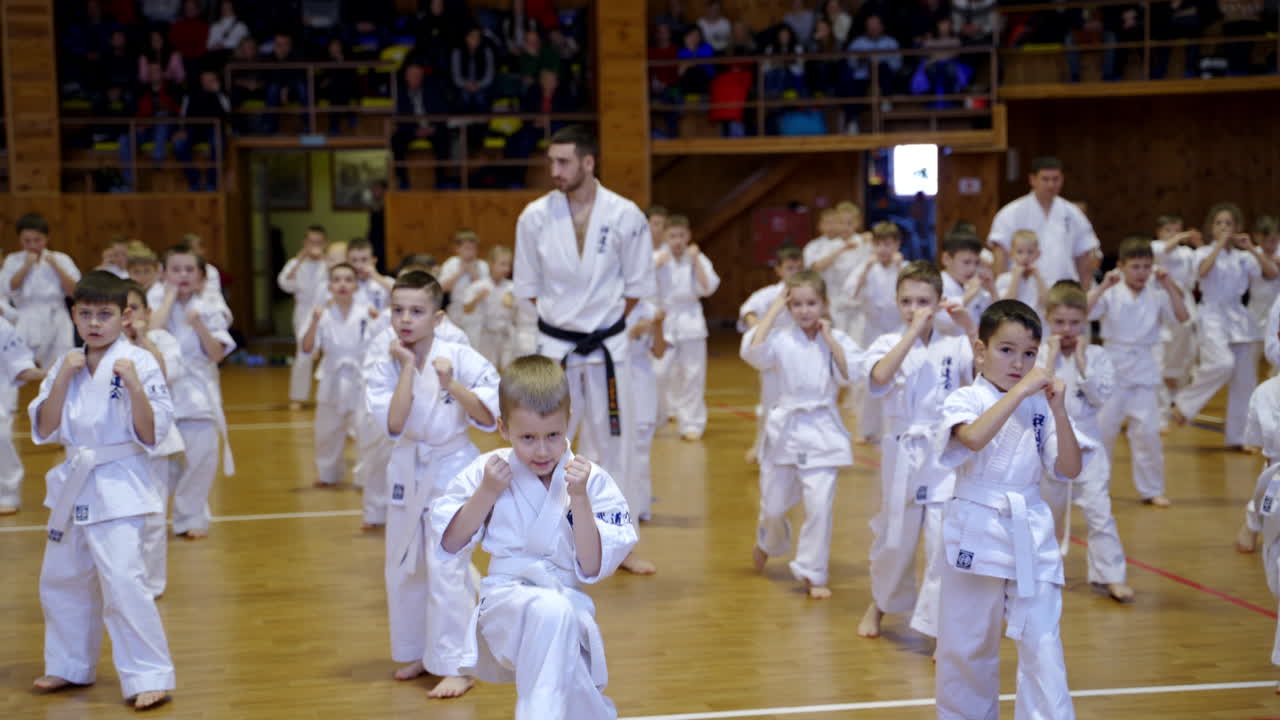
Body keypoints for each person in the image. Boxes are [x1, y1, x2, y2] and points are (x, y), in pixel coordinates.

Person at [433, 355, 638, 718]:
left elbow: (591, 566)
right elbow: (449, 544)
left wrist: (580, 499)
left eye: (553, 436)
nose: (542, 451)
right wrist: (487, 492)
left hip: (565, 600)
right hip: (504, 604)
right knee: (553, 612)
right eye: (527, 438)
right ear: (502, 427)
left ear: (568, 424)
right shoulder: (486, 471)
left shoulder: (591, 480)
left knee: (576, 690)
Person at [512, 125, 658, 576]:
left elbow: (637, 287)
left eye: (563, 162)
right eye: (551, 162)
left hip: (608, 348)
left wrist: (597, 324)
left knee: (619, 446)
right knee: (542, 445)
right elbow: (529, 288)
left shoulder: (625, 214)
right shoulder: (533, 217)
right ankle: (540, 542)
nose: (554, 171)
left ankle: (621, 546)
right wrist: (567, 323)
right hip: (555, 347)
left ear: (588, 162)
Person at [934, 300, 1089, 720]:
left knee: (1043, 642)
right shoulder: (965, 397)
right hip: (975, 525)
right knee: (967, 645)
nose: (1018, 363)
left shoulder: (1041, 406)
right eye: (1006, 350)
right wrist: (1021, 391)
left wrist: (1058, 411)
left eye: (1029, 354)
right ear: (981, 352)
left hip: (1030, 529)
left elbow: (1069, 468)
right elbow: (971, 439)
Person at [28, 272, 175, 710]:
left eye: (105, 314)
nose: (95, 323)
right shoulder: (66, 363)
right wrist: (60, 379)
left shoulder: (139, 362)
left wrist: (131, 384)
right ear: (74, 315)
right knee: (62, 578)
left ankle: (150, 674)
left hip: (120, 483)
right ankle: (69, 664)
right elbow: (46, 425)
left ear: (124, 316)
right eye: (86, 314)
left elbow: (152, 435)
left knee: (125, 582)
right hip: (74, 482)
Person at [364, 270, 500, 699]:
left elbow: (489, 418)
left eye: (416, 311)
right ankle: (425, 651)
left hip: (452, 468)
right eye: (398, 310)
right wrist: (407, 367)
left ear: (438, 317)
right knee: (406, 567)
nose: (405, 320)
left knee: (447, 567)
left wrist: (450, 384)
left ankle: (459, 663)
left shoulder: (460, 355)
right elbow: (394, 423)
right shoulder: (382, 358)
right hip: (406, 468)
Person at [857, 261, 975, 640]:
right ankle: (878, 604)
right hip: (902, 451)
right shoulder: (885, 342)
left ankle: (939, 628)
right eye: (906, 301)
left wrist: (968, 324)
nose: (914, 308)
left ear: (939, 302)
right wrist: (910, 332)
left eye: (923, 300)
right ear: (896, 302)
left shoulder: (954, 343)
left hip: (944, 452)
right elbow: (879, 377)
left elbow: (984, 371)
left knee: (942, 540)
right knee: (895, 539)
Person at [742, 270, 862, 599]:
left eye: (811, 303)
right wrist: (773, 310)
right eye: (796, 304)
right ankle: (768, 541)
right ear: (788, 306)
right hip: (786, 427)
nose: (804, 311)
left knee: (819, 506)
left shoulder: (837, 338)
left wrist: (830, 338)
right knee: (774, 506)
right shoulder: (779, 338)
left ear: (824, 304)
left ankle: (813, 571)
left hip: (823, 428)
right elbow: (752, 352)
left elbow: (851, 373)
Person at [1040, 280, 1133, 602]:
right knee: (1045, 513)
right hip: (1048, 445)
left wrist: (1081, 362)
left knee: (1099, 510)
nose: (1067, 330)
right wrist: (1051, 356)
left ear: (1086, 322)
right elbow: (1034, 397)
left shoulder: (1096, 355)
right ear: (1047, 320)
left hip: (1088, 444)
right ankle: (1039, 571)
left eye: (1075, 323)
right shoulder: (1038, 353)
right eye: (1059, 322)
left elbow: (1099, 398)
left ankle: (1111, 575)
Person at [1089, 237, 1189, 507]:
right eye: (1135, 267)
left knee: (1147, 434)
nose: (1142, 272)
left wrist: (1169, 285)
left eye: (1147, 267)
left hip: (1144, 368)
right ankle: (1097, 487)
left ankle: (1152, 489)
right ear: (1120, 267)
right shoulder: (1110, 291)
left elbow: (1182, 316)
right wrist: (1101, 288)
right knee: (1104, 431)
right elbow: (1083, 314)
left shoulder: (1157, 293)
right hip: (1113, 366)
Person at [1173, 203, 1279, 446]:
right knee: (1222, 363)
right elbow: (1202, 273)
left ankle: (1239, 438)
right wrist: (1219, 245)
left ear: (1237, 228)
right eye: (1219, 223)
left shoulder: (1243, 257)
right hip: (1211, 313)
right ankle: (1184, 404)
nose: (1223, 227)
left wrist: (1252, 248)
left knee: (1245, 380)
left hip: (1238, 316)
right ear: (1211, 227)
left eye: (1228, 223)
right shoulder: (1203, 252)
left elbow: (1272, 273)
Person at [148, 246, 236, 539]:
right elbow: (148, 336)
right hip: (160, 391)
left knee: (201, 459)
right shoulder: (153, 299)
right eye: (175, 269)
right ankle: (154, 517)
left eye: (189, 270)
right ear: (163, 273)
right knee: (161, 461)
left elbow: (216, 354)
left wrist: (198, 323)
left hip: (199, 392)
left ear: (201, 277)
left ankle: (191, 516)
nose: (182, 275)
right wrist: (170, 297)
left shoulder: (211, 305)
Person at [122, 281, 184, 599]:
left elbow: (164, 373)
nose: (129, 315)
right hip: (118, 443)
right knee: (121, 517)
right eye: (123, 309)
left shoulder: (161, 340)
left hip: (156, 441)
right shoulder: (106, 344)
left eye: (135, 307)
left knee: (154, 517)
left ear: (147, 311)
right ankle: (124, 580)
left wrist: (142, 338)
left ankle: (152, 584)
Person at [302, 263, 377, 488]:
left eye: (348, 279)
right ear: (329, 286)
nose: (342, 284)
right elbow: (307, 349)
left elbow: (381, 346)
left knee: (365, 430)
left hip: (360, 377)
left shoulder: (368, 312)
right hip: (332, 376)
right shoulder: (320, 314)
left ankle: (364, 476)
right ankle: (328, 473)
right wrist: (314, 322)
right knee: (327, 430)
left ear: (356, 285)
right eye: (337, 280)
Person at [653, 215, 720, 442]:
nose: (677, 241)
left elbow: (708, 287)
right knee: (658, 373)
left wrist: (697, 262)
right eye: (672, 236)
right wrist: (654, 266)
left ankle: (691, 424)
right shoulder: (656, 258)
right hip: (664, 320)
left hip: (691, 320)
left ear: (688, 236)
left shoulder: (697, 258)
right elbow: (640, 286)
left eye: (682, 236)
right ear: (665, 237)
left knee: (693, 374)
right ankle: (657, 417)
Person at [988, 157, 1100, 286]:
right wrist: (1001, 288)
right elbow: (1000, 253)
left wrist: (1084, 290)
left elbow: (1084, 255)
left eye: (1055, 179)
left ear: (1062, 179)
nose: (1051, 185)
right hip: (1023, 288)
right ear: (1032, 179)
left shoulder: (1073, 213)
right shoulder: (1010, 213)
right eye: (1045, 179)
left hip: (1064, 286)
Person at [738, 246, 805, 464]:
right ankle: (761, 448)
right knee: (770, 405)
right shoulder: (768, 294)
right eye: (789, 268)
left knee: (800, 403)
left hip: (801, 354)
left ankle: (799, 449)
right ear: (779, 270)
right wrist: (757, 327)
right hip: (773, 355)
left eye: (798, 268)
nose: (793, 272)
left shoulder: (807, 293)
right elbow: (748, 310)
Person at [845, 221, 906, 445]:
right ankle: (867, 429)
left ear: (897, 245)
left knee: (899, 380)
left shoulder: (905, 267)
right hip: (871, 329)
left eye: (888, 244)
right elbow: (851, 293)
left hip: (900, 329)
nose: (883, 249)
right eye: (879, 244)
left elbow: (915, 290)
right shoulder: (865, 267)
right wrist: (866, 269)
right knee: (867, 380)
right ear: (872, 245)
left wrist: (900, 268)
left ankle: (897, 428)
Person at [0, 214, 81, 369]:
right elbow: (8, 289)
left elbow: (75, 292)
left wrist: (57, 267)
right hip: (26, 315)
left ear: (47, 237)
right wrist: (26, 267)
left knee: (60, 365)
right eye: (27, 241)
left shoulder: (61, 258)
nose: (32, 245)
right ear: (20, 240)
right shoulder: (13, 260)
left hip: (57, 316)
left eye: (37, 240)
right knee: (20, 365)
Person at [1151, 215, 1201, 419]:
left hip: (1184, 298)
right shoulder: (1155, 247)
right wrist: (1181, 236)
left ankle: (1178, 394)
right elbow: (1163, 250)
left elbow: (1197, 272)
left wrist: (1198, 244)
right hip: (1162, 298)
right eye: (1168, 230)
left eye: (1176, 229)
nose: (1173, 234)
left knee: (1187, 347)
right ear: (1159, 232)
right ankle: (1163, 395)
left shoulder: (1187, 252)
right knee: (1165, 347)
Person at [278, 226, 330, 409]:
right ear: (305, 243)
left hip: (329, 310)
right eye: (311, 242)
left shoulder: (329, 263)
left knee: (333, 352)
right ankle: (298, 397)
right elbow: (284, 284)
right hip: (304, 311)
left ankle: (332, 397)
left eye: (318, 242)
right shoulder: (295, 263)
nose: (314, 245)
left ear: (324, 244)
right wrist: (301, 258)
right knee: (303, 353)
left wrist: (326, 258)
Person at [0, 313, 43, 515]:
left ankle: (7, 495)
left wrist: (50, 373)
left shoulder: (3, 327)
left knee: (1, 441)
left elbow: (21, 365)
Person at [460, 246, 516, 370]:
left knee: (508, 368)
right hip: (486, 334)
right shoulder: (479, 286)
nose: (506, 268)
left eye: (508, 265)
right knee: (487, 368)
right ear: (491, 264)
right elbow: (466, 309)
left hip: (506, 334)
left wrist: (513, 303)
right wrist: (478, 298)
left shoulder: (512, 287)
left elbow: (520, 313)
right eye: (502, 264)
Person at [440, 230, 491, 340]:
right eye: (467, 248)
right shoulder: (451, 263)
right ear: (457, 249)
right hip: (455, 309)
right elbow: (442, 288)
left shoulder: (482, 265)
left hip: (477, 311)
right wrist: (459, 272)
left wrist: (474, 274)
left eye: (474, 248)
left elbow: (487, 290)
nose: (471, 252)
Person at [938, 230, 992, 333]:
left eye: (976, 263)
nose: (972, 269)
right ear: (946, 259)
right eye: (966, 262)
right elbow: (944, 322)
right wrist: (970, 294)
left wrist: (992, 289)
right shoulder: (936, 285)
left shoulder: (971, 285)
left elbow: (993, 317)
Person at [1249, 216, 1280, 373]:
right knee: (1249, 362)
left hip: (1278, 314)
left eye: (1273, 240)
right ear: (1256, 237)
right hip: (1255, 313)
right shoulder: (1249, 255)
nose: (1269, 245)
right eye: (1265, 240)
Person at [996, 230, 1049, 317]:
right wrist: (1016, 278)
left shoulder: (1043, 278)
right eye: (1020, 252)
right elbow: (1005, 307)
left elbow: (1047, 304)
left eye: (1030, 252)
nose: (1025, 257)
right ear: (1011, 254)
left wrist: (1038, 277)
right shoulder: (1003, 278)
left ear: (1038, 254)